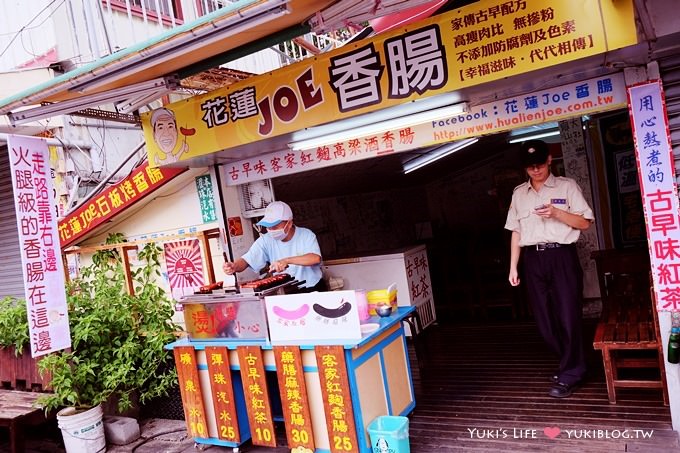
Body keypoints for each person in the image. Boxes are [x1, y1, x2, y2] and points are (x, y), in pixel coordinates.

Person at [505, 140, 594, 398]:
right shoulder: (519, 193)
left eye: (540, 164)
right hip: (533, 261)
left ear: (549, 161)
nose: (536, 170)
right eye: (530, 166)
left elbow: (585, 222)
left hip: (562, 256)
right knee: (545, 323)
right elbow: (515, 232)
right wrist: (513, 267)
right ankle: (572, 363)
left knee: (568, 316)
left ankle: (571, 371)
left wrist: (557, 213)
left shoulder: (567, 187)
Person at [222, 201, 327, 292]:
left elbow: (315, 258)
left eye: (275, 226)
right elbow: (247, 260)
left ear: (289, 223)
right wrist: (234, 266)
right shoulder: (265, 240)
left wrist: (286, 261)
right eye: (268, 227)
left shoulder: (306, 235)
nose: (271, 230)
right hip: (285, 291)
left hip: (313, 288)